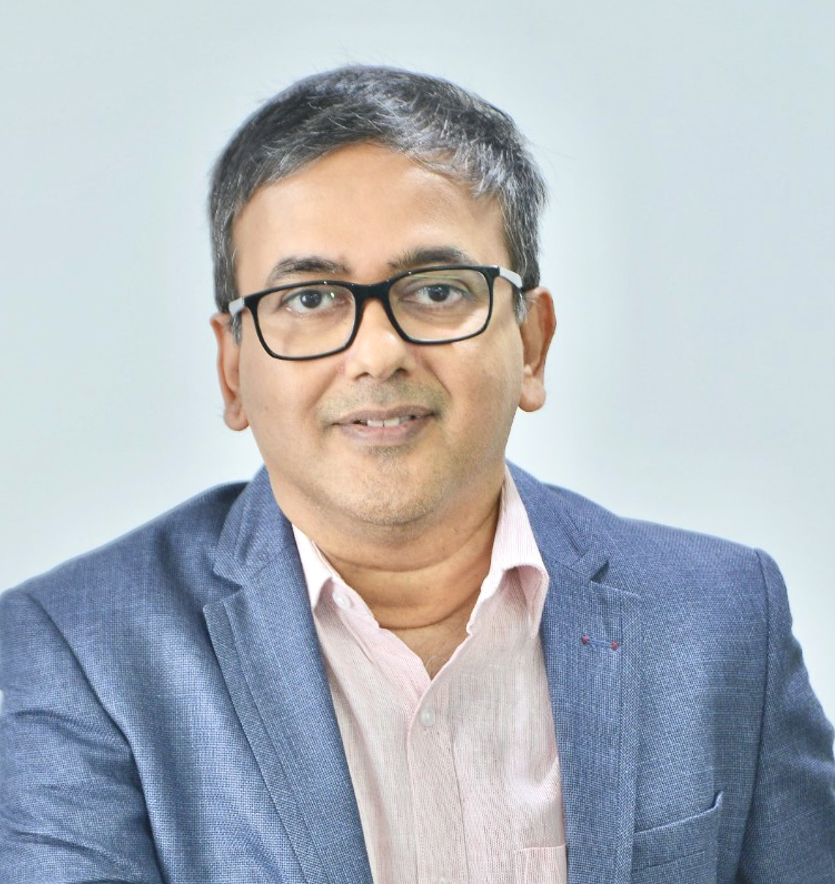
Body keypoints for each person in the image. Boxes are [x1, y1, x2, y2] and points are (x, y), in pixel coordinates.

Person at [0, 65, 833, 884]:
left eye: (436, 290)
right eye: (309, 298)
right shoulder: (74, 653)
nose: (377, 353)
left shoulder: (720, 619)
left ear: (531, 343)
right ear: (232, 371)